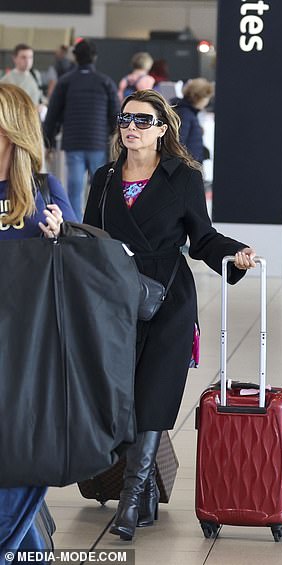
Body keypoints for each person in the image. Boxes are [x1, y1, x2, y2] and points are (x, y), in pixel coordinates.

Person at [82, 89, 257, 542]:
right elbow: (88, 239)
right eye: (126, 119)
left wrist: (234, 254)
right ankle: (138, 496)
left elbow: (201, 237)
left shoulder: (182, 176)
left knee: (154, 398)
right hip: (114, 297)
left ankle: (131, 497)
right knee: (117, 397)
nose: (131, 128)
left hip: (166, 297)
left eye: (142, 121)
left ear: (162, 130)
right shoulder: (103, 178)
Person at [0, 84, 74, 553]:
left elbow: (83, 271)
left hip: (29, 357)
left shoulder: (46, 193)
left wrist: (60, 239)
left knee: (17, 467)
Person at [44, 40, 119, 218]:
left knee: (74, 190)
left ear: (75, 57)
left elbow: (52, 114)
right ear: (94, 57)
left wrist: (49, 141)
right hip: (98, 142)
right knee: (101, 188)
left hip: (74, 142)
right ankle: (100, 224)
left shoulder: (65, 82)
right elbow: (115, 115)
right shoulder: (105, 82)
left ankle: (76, 228)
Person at [171, 78, 213, 163]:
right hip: (189, 164)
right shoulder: (186, 114)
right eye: (206, 98)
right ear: (199, 97)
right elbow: (179, 141)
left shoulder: (187, 112)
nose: (207, 102)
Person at [0, 44, 45, 108]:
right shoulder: (6, 80)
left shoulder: (35, 75)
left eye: (30, 57)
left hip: (35, 115)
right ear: (14, 58)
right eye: (23, 57)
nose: (27, 61)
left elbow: (39, 95)